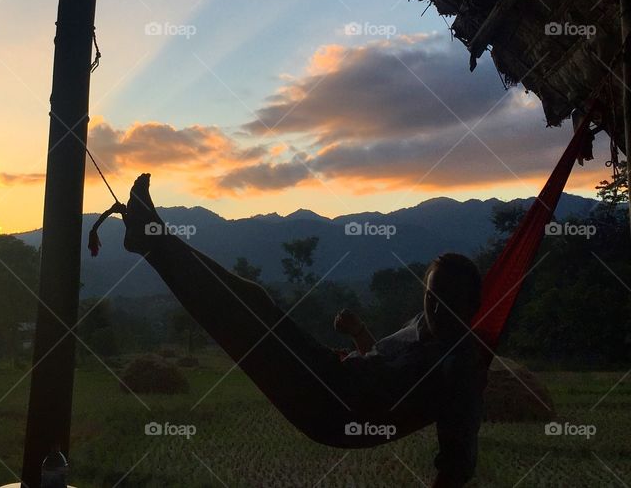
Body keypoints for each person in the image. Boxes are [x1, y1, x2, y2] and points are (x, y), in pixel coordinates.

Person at [120, 173, 486, 488]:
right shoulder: (423, 328)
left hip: (334, 407)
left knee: (249, 313)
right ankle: (151, 236)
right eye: (431, 296)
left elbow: (458, 461)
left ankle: (151, 237)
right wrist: (359, 333)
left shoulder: (462, 365)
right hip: (332, 375)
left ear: (472, 306)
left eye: (449, 300)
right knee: (253, 298)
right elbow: (380, 366)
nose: (436, 308)